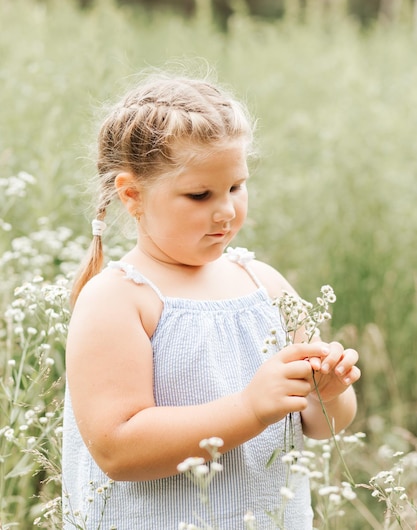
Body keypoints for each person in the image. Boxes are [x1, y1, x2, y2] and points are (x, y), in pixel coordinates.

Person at [62, 72, 360, 530]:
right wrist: (249, 409)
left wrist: (327, 395)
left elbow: (324, 428)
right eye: (199, 195)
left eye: (236, 187)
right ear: (132, 195)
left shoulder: (265, 285)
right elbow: (117, 450)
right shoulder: (119, 298)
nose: (225, 211)